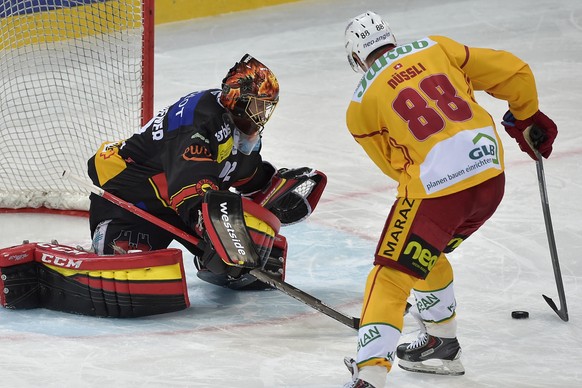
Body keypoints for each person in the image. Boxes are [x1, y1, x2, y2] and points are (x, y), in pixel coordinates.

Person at [341, 11, 557, 388]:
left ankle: (369, 375)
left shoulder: (360, 106)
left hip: (439, 195)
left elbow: (395, 166)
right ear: (392, 38)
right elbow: (514, 71)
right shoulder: (436, 47)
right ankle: (441, 345)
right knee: (427, 253)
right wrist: (527, 116)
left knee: (391, 275)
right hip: (489, 180)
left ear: (356, 58)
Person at [87, 54, 323, 290]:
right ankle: (109, 237)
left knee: (259, 254)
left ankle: (210, 252)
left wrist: (267, 186)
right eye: (257, 106)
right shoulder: (199, 121)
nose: (261, 116)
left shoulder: (233, 123)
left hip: (169, 190)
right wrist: (215, 233)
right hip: (128, 187)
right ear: (238, 101)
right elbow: (188, 185)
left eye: (266, 108)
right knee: (133, 276)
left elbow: (235, 169)